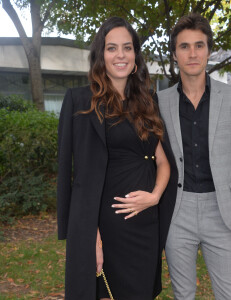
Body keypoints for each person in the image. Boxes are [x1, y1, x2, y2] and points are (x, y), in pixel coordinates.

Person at [57, 17, 177, 300]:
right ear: (102, 56)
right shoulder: (79, 101)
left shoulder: (148, 101)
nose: (120, 55)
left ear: (136, 56)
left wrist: (155, 196)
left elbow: (163, 161)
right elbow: (72, 175)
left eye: (127, 47)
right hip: (105, 228)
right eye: (112, 48)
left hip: (145, 225)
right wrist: (91, 237)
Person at [157, 13, 231, 300]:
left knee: (229, 294)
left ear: (209, 50)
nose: (192, 53)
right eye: (184, 46)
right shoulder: (159, 102)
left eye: (199, 45)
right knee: (183, 294)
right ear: (175, 54)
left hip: (222, 209)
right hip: (178, 211)